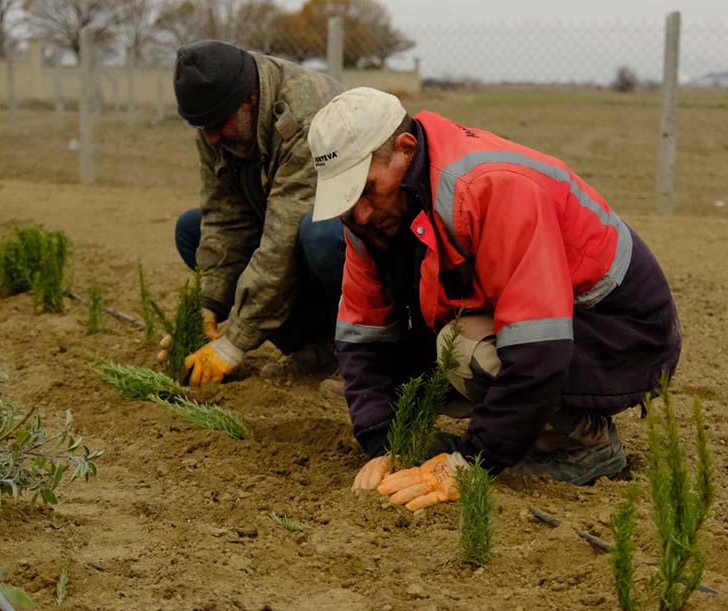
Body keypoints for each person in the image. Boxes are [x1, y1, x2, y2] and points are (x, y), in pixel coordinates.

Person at [308, 88, 683, 510]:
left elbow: (539, 348)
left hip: (623, 335)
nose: (358, 214)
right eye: (345, 198)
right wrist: (382, 442)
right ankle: (525, 434)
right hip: (538, 326)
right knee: (413, 375)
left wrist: (472, 462)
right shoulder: (372, 219)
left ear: (405, 149)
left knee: (462, 348)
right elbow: (364, 336)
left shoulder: (490, 187)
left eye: (367, 189)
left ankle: (583, 446)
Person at [168, 40, 344, 387]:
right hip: (287, 223)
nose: (212, 139)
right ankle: (315, 348)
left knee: (318, 234)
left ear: (248, 99)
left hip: (356, 240)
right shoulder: (215, 122)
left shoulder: (306, 116)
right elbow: (224, 216)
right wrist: (210, 304)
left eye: (218, 126)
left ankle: (361, 354)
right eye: (202, 129)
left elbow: (282, 239)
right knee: (192, 229)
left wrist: (234, 342)